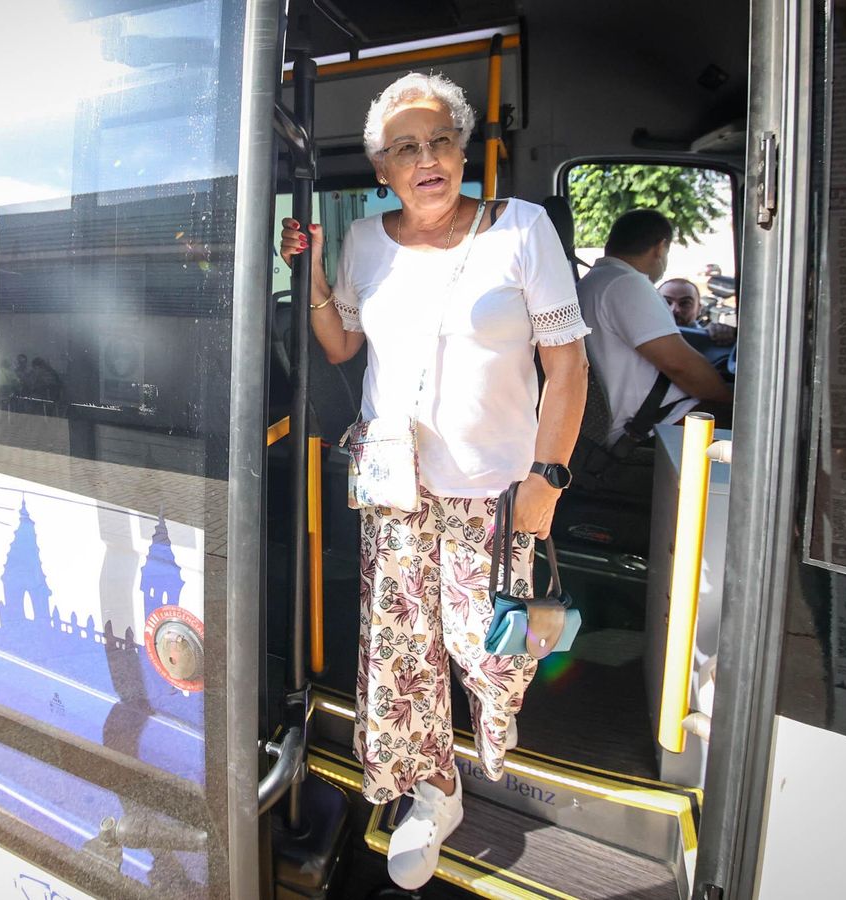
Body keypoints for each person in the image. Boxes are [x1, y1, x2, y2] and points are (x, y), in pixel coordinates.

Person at [278, 72, 589, 890]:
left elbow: (568, 367)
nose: (427, 158)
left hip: (497, 491)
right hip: (394, 490)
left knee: (494, 649)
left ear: (464, 151)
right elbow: (342, 345)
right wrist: (308, 280)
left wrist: (546, 481)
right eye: (406, 147)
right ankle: (435, 790)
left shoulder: (519, 229)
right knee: (403, 654)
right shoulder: (366, 243)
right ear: (382, 168)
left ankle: (505, 717)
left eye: (441, 140)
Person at [577, 210, 732, 446]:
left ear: (610, 244)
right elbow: (680, 366)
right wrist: (731, 401)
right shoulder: (627, 283)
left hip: (629, 424)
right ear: (660, 248)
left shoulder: (592, 283)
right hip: (647, 428)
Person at [659, 277, 737, 346]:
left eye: (685, 303)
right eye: (666, 302)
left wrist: (719, 333)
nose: (675, 309)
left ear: (699, 309)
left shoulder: (707, 339)